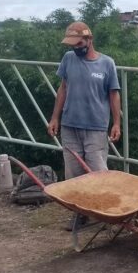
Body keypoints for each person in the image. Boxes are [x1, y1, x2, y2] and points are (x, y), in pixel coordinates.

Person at [47, 21, 121, 230]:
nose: (75, 48)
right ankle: (80, 214)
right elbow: (63, 88)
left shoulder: (107, 63)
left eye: (78, 43)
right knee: (74, 174)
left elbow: (114, 94)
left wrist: (116, 123)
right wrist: (55, 118)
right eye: (72, 44)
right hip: (70, 125)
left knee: (98, 172)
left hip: (96, 127)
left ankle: (106, 212)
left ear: (89, 40)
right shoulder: (69, 59)